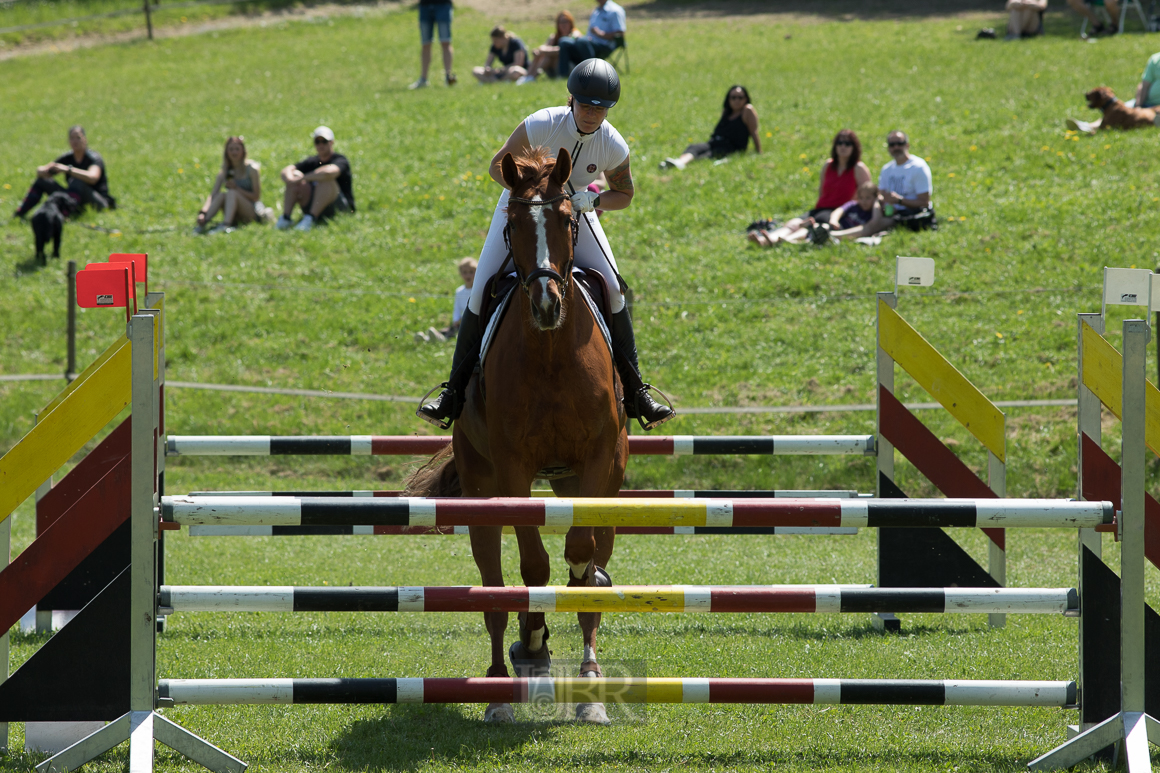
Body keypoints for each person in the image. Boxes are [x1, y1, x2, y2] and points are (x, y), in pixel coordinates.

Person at [417, 58, 673, 431]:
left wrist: (593, 201)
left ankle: (637, 391)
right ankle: (452, 392)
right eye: (586, 106)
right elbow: (495, 167)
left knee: (615, 289)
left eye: (600, 109)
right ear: (571, 99)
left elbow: (625, 194)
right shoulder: (541, 124)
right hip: (522, 209)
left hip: (576, 214)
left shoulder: (613, 145)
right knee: (479, 291)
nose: (591, 115)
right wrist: (532, 195)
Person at [750, 129, 870, 246]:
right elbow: (821, 192)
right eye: (840, 143)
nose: (843, 146)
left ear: (854, 147)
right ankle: (767, 239)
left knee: (809, 227)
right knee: (794, 223)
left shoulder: (858, 168)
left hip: (839, 212)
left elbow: (867, 194)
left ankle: (779, 241)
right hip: (821, 208)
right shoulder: (828, 165)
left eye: (848, 144)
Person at [14, 125, 115, 220]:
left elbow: (93, 178)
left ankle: (65, 214)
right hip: (75, 200)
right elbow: (41, 170)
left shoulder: (94, 158)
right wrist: (46, 171)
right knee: (43, 181)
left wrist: (68, 169)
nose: (75, 141)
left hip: (98, 202)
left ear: (85, 139)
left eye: (78, 138)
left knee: (77, 181)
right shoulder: (67, 158)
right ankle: (19, 214)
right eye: (72, 138)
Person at [276, 126, 356, 232]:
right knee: (294, 175)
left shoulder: (340, 159)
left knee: (326, 180)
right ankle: (286, 218)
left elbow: (329, 172)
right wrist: (292, 179)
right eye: (317, 141)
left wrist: (303, 178)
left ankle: (310, 218)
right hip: (316, 204)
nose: (321, 144)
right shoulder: (312, 161)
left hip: (338, 207)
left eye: (324, 141)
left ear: (331, 142)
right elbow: (286, 170)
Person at [661, 86, 761, 170]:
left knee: (707, 156)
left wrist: (759, 152)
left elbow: (754, 132)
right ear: (728, 99)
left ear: (746, 98)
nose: (737, 100)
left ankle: (677, 166)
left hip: (731, 147)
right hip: (714, 142)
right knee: (693, 148)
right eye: (733, 97)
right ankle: (679, 163)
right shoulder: (726, 112)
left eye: (740, 97)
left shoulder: (747, 111)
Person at [857, 130, 934, 236]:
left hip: (910, 215)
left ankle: (838, 236)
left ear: (907, 145)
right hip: (889, 212)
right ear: (888, 148)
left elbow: (924, 202)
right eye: (892, 145)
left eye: (899, 143)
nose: (896, 147)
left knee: (874, 225)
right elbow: (881, 194)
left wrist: (900, 201)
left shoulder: (918, 167)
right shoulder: (887, 169)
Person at [1066, 51, 1160, 132]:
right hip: (1144, 103)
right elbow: (1143, 85)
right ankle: (1088, 126)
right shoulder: (1155, 59)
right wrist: (1138, 106)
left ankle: (1153, 120)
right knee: (1115, 111)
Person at [195, 136, 268, 234]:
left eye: (237, 149)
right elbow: (213, 194)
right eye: (231, 149)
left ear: (243, 151)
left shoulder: (252, 169)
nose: (234, 152)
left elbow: (256, 196)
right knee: (222, 195)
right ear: (226, 152)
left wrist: (237, 189)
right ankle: (203, 223)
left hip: (252, 211)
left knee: (232, 192)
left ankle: (226, 225)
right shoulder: (226, 171)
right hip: (234, 213)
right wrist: (203, 212)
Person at [557, 0, 625, 78]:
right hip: (588, 42)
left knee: (582, 41)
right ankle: (563, 75)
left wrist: (600, 34)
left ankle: (592, 74)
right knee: (564, 41)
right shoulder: (596, 11)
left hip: (605, 45)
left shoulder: (615, 11)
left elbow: (620, 34)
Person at [417, 257, 477, 343]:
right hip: (461, 321)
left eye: (471, 272)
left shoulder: (477, 291)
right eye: (465, 272)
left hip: (471, 322)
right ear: (460, 273)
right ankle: (427, 338)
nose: (468, 275)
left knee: (456, 331)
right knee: (450, 328)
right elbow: (456, 308)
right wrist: (455, 320)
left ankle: (439, 339)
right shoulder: (459, 291)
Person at [516, 11, 582, 84]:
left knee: (549, 56)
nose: (563, 24)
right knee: (541, 54)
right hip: (552, 69)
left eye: (566, 21)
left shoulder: (574, 34)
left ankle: (532, 77)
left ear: (571, 22)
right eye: (560, 22)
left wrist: (545, 51)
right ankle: (528, 76)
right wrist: (538, 51)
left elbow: (563, 50)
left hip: (569, 67)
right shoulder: (554, 37)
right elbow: (545, 47)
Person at [410, 0, 456, 89]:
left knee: (445, 42)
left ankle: (448, 78)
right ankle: (423, 79)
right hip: (425, 5)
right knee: (425, 44)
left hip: (443, 5)